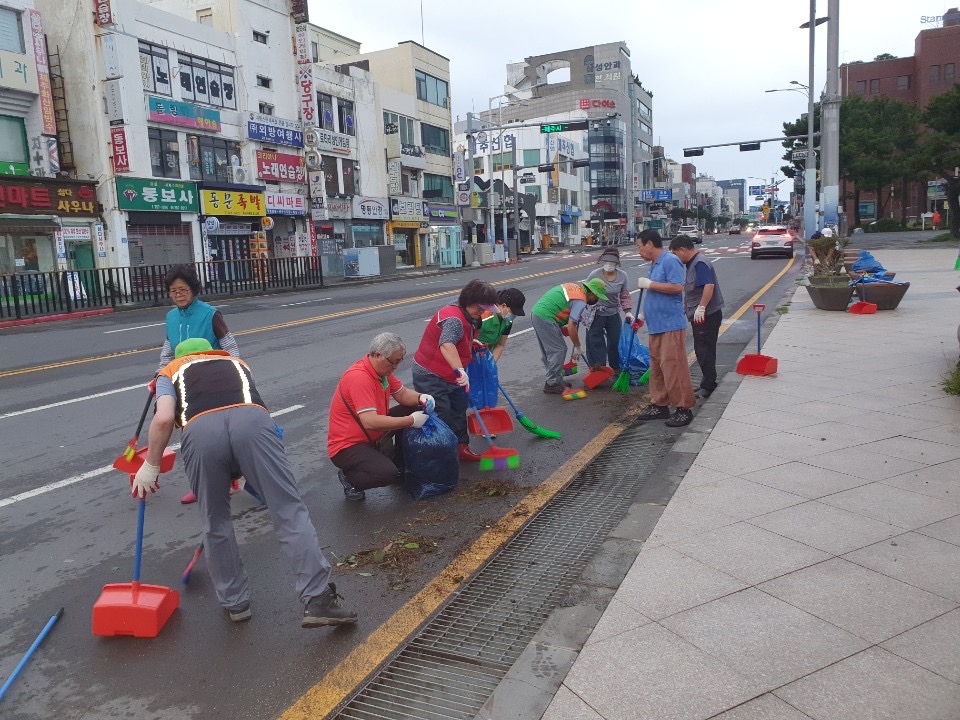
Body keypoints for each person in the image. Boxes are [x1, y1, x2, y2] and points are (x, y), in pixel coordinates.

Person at [131, 338, 357, 628]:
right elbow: (247, 406)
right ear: (210, 352)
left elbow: (163, 419)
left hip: (201, 434)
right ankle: (319, 599)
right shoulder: (236, 363)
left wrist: (151, 465)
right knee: (288, 510)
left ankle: (235, 603)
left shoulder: (170, 370)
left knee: (216, 521)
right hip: (253, 424)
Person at [157, 264, 239, 505]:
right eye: (174, 291)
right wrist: (160, 375)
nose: (179, 294)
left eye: (183, 289)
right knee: (191, 439)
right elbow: (168, 350)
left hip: (213, 383)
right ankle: (200, 484)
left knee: (223, 435)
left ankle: (235, 473)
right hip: (184, 385)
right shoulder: (171, 317)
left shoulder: (210, 314)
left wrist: (233, 373)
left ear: (193, 289)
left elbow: (231, 348)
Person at [328, 333, 433, 501]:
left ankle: (399, 461)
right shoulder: (360, 378)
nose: (396, 366)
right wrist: (411, 421)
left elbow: (402, 394)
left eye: (399, 361)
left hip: (371, 434)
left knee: (412, 407)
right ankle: (350, 478)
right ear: (378, 355)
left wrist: (422, 397)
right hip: (348, 446)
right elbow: (370, 422)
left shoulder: (382, 372)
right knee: (387, 474)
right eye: (395, 361)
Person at [413, 279, 499, 461]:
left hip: (450, 373)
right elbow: (446, 344)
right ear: (469, 302)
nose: (483, 312)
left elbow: (460, 338)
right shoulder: (454, 319)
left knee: (459, 408)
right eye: (480, 308)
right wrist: (460, 369)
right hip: (430, 373)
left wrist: (470, 343)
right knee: (441, 412)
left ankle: (461, 448)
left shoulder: (468, 315)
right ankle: (440, 455)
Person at [635, 230, 695, 427]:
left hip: (670, 324)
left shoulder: (670, 260)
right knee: (657, 367)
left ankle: (683, 408)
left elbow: (677, 287)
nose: (639, 251)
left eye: (639, 246)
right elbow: (655, 296)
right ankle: (660, 404)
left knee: (673, 367)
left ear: (650, 244)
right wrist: (643, 315)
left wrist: (651, 284)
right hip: (656, 325)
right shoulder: (655, 264)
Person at [530, 279, 608, 394]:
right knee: (559, 350)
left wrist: (560, 327)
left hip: (538, 313)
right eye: (597, 297)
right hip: (545, 317)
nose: (597, 300)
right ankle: (552, 383)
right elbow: (572, 326)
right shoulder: (581, 300)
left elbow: (558, 304)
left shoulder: (575, 288)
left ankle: (556, 380)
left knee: (550, 351)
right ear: (591, 293)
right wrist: (578, 347)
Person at [669, 236, 724, 398]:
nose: (675, 258)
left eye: (675, 254)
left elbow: (709, 285)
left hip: (707, 315)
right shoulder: (693, 263)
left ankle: (708, 385)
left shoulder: (699, 262)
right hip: (702, 314)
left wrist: (701, 307)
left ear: (683, 250)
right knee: (703, 349)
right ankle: (707, 383)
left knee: (704, 350)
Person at [584, 248, 633, 371]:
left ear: (617, 263)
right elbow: (585, 292)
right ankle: (598, 368)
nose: (609, 265)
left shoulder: (623, 276)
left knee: (615, 340)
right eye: (607, 261)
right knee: (595, 340)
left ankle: (616, 367)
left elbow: (624, 295)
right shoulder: (595, 274)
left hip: (613, 312)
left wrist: (628, 311)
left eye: (612, 262)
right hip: (596, 313)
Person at [477, 287, 526, 362]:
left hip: (486, 357)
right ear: (503, 306)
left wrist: (491, 364)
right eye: (513, 312)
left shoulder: (508, 321)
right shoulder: (483, 317)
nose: (514, 316)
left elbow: (500, 344)